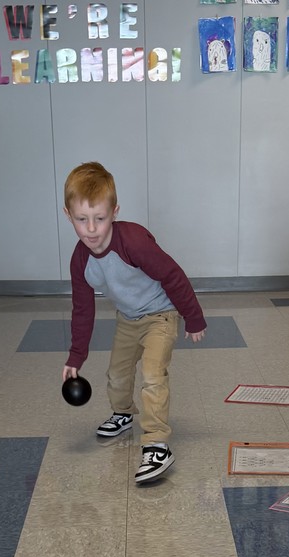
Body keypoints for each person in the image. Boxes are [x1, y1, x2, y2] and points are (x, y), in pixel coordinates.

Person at [61, 162, 208, 483]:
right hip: (128, 319)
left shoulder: (134, 242)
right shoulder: (80, 259)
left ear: (114, 211)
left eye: (99, 219)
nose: (91, 229)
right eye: (81, 219)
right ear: (67, 214)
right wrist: (76, 355)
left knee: (153, 374)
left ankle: (156, 442)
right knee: (116, 375)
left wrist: (193, 318)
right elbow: (82, 309)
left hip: (161, 315)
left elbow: (173, 275)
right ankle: (123, 414)